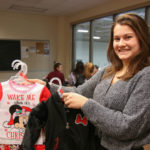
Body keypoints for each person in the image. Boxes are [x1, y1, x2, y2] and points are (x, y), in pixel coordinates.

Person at [29, 13, 150, 150]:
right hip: (94, 143)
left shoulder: (145, 75)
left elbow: (128, 126)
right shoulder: (108, 71)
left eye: (128, 37)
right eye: (117, 39)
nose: (121, 44)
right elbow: (79, 92)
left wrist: (86, 104)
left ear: (142, 39)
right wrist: (46, 86)